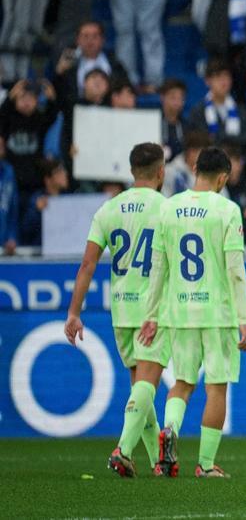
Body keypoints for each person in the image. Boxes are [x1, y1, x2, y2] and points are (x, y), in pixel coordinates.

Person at [136, 146, 246, 478]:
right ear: (223, 178)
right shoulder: (227, 210)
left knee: (183, 382)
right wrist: (243, 319)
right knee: (216, 387)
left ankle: (169, 428)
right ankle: (205, 464)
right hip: (217, 313)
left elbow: (159, 267)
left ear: (195, 169)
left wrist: (151, 313)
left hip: (179, 311)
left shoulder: (169, 208)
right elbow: (235, 270)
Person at [64, 143, 167, 477]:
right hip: (154, 308)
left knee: (141, 384)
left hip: (121, 309)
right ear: (161, 171)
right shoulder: (167, 208)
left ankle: (157, 463)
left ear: (132, 170)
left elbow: (87, 265)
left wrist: (74, 313)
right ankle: (123, 450)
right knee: (147, 383)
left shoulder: (108, 210)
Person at [186, 61, 243, 141]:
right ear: (207, 81)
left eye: (226, 76)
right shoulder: (197, 112)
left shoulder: (240, 110)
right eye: (218, 76)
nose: (223, 81)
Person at [159, 79, 186, 162]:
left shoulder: (187, 125)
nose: (177, 102)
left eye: (180, 98)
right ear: (162, 97)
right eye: (173, 97)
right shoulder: (153, 123)